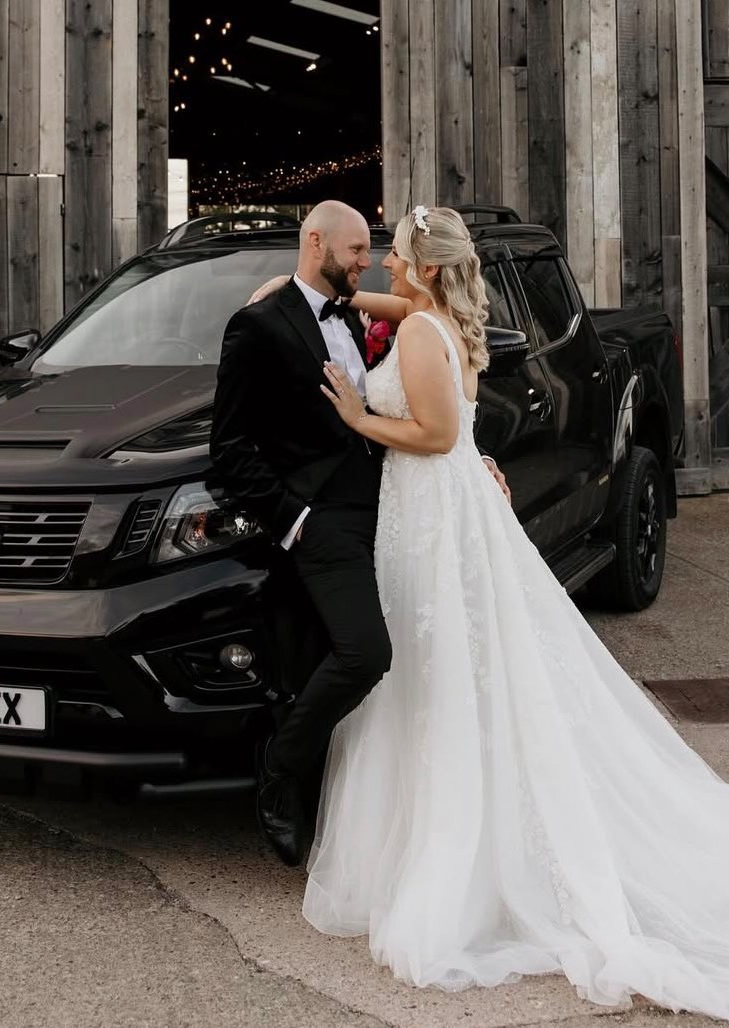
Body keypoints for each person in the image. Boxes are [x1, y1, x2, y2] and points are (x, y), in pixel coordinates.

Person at [305, 204, 729, 1021]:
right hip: (447, 507)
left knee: (439, 663)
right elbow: (390, 314)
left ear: (428, 267)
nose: (383, 265)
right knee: (454, 663)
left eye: (397, 255)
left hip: (432, 507)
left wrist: (356, 416)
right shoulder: (433, 316)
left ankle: (460, 855)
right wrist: (307, 291)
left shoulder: (418, 332)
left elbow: (438, 434)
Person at [209, 199, 506, 868]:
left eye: (380, 251)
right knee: (368, 653)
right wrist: (293, 519)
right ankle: (280, 769)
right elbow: (227, 450)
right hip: (326, 521)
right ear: (316, 243)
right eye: (356, 253)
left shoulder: (365, 312)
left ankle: (408, 816)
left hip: (402, 508)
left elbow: (435, 408)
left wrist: (471, 457)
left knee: (431, 661)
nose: (370, 261)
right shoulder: (257, 327)